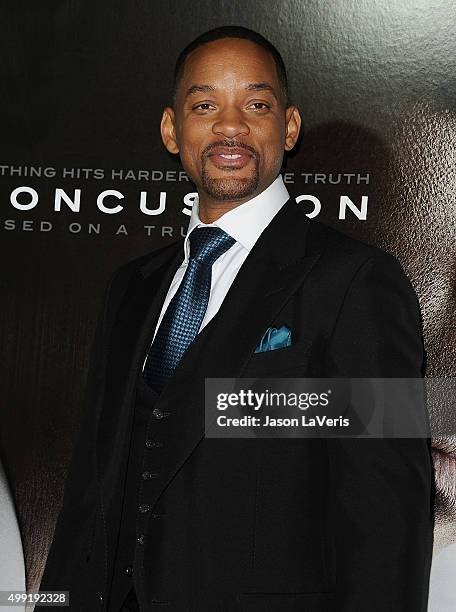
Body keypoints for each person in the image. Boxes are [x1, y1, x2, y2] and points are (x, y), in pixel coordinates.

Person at [39, 26, 434, 611]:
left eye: (255, 104)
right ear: (172, 130)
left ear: (289, 126)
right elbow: (90, 495)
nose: (230, 125)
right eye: (204, 105)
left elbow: (387, 517)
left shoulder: (359, 281)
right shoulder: (131, 288)